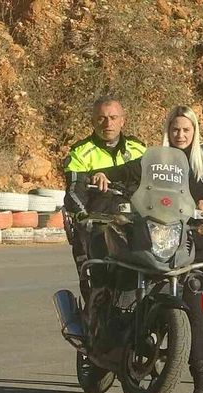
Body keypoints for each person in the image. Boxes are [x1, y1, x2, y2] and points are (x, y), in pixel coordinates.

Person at [93, 106, 203, 393]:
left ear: (194, 131)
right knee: (193, 313)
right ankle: (201, 376)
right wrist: (103, 173)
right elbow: (129, 171)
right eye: (175, 129)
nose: (180, 135)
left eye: (186, 129)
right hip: (181, 243)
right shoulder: (156, 161)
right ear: (167, 130)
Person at [63, 96, 146, 301]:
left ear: (122, 120)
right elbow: (74, 191)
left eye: (113, 117)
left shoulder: (138, 149)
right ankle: (96, 312)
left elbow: (158, 182)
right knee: (98, 283)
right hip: (100, 221)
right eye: (101, 118)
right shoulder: (80, 152)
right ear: (93, 121)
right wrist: (83, 216)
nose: (108, 123)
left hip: (135, 220)